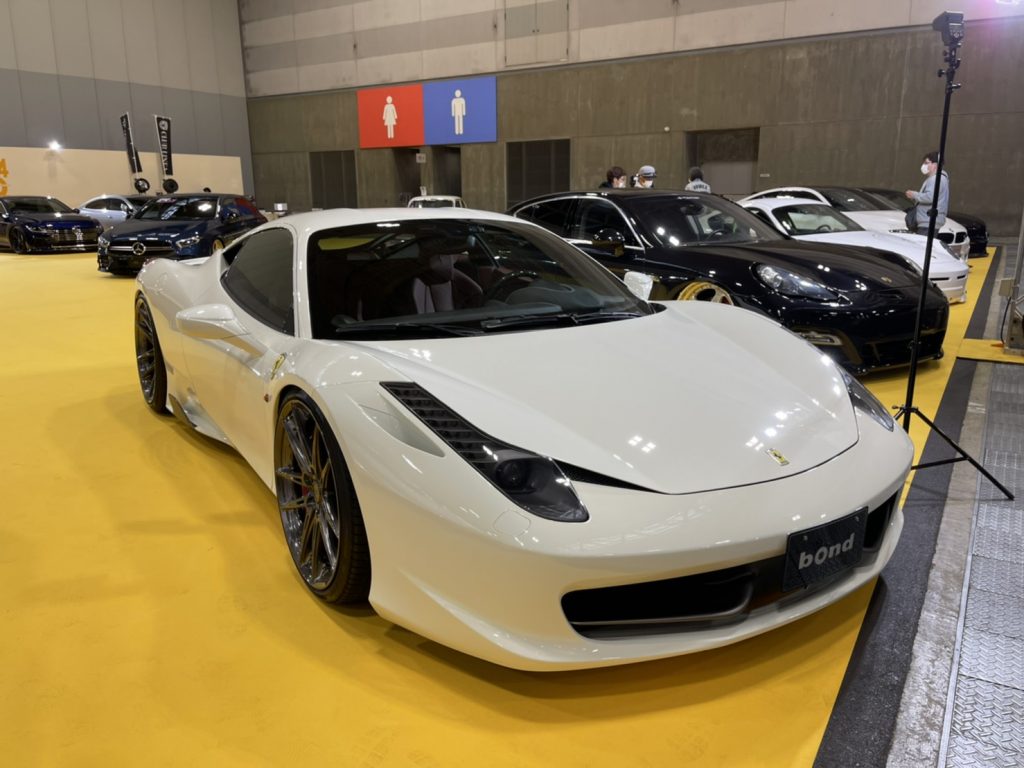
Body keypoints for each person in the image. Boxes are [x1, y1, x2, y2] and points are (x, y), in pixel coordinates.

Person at [905, 151, 948, 235]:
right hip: (928, 221)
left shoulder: (936, 179)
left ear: (935, 165)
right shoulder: (938, 178)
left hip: (928, 222)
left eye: (926, 163)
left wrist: (914, 195)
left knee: (921, 243)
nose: (923, 166)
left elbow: (930, 197)